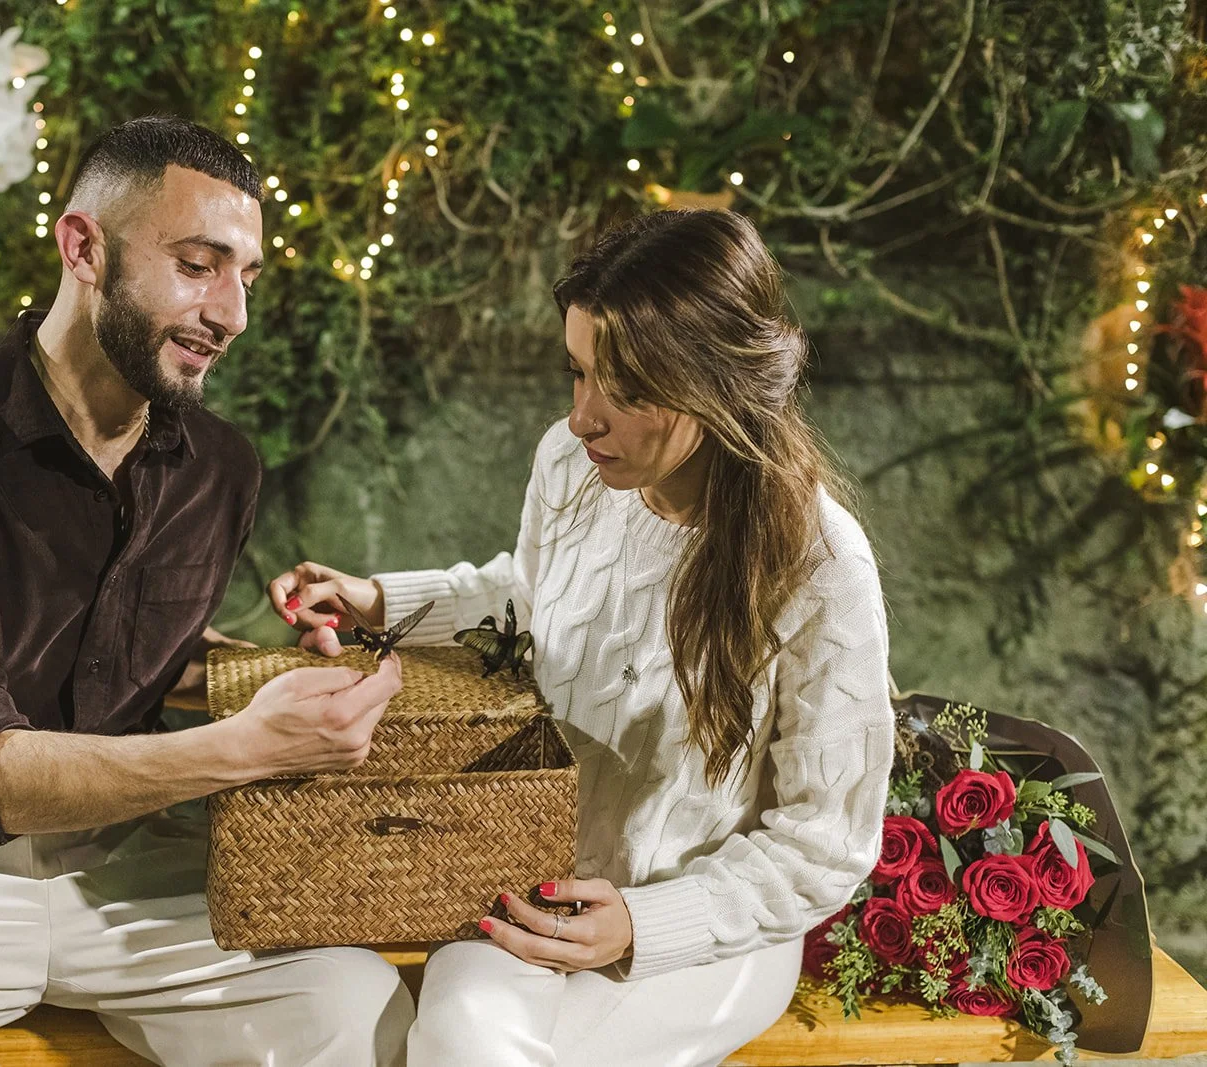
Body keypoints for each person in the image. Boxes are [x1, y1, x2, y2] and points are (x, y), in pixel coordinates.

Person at [0, 116, 414, 1066]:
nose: (232, 314)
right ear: (83, 247)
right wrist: (242, 746)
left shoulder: (220, 467)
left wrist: (261, 676)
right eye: (198, 265)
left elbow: (121, 656)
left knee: (360, 1008)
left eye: (246, 277)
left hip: (132, 875)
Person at [269, 209, 896, 1067]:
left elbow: (825, 840)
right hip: (536, 885)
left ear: (717, 383)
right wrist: (380, 602)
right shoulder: (568, 464)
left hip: (704, 932)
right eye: (578, 374)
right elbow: (533, 602)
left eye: (626, 389)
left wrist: (643, 922)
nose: (584, 417)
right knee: (454, 1033)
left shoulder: (820, 564)